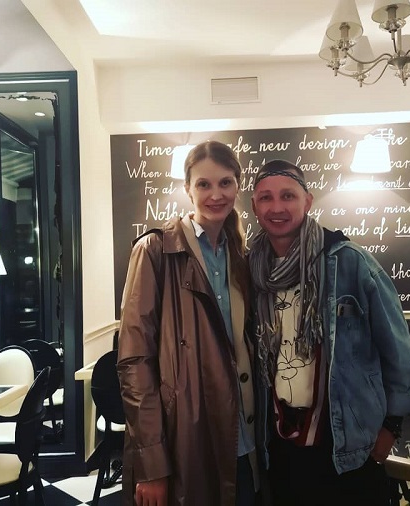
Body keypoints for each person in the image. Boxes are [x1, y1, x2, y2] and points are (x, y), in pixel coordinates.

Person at [248, 159, 410, 506]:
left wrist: (392, 426)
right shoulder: (249, 270)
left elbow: (399, 352)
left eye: (288, 195)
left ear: (308, 201)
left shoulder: (350, 262)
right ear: (254, 206)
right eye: (266, 197)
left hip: (346, 443)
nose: (277, 207)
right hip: (279, 442)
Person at [117, 140, 258, 506]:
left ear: (238, 185)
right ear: (188, 188)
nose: (216, 194)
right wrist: (152, 463)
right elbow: (134, 362)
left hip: (244, 438)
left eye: (225, 182)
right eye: (204, 184)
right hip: (186, 441)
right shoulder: (155, 251)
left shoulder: (241, 255)